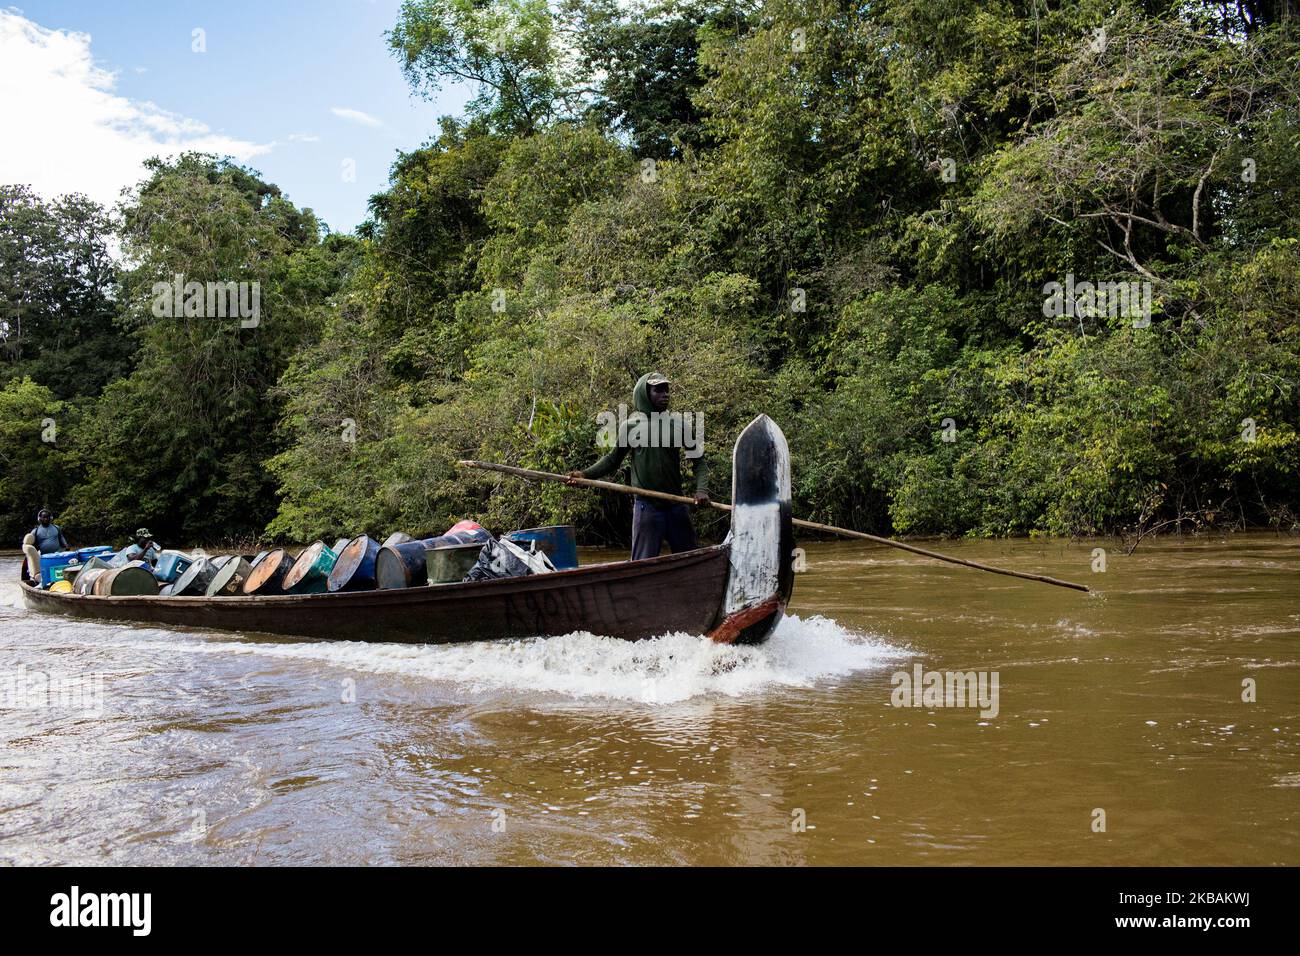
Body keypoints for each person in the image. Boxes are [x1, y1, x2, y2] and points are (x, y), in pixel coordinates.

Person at [568, 371, 709, 560]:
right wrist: (585, 475)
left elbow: (699, 462)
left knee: (692, 561)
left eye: (666, 390)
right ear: (644, 394)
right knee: (643, 563)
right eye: (658, 390)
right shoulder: (630, 426)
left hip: (676, 504)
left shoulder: (679, 425)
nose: (665, 394)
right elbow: (612, 460)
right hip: (647, 508)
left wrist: (702, 490)